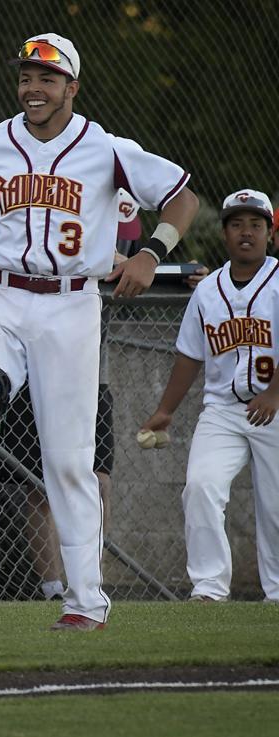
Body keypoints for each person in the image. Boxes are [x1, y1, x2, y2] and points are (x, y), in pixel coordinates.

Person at [0, 33, 198, 630]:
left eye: (46, 78)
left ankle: (86, 600)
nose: (32, 88)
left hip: (70, 308)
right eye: (26, 77)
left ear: (72, 86)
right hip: (3, 298)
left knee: (67, 462)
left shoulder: (105, 149)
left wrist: (150, 253)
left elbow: (183, 200)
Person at [141, 189, 278, 602]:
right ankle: (208, 587)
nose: (246, 233)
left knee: (275, 507)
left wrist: (274, 393)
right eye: (237, 224)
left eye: (256, 225)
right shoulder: (208, 291)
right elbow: (189, 354)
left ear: (271, 235)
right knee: (200, 486)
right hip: (222, 409)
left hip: (275, 408)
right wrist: (165, 410)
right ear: (224, 233)